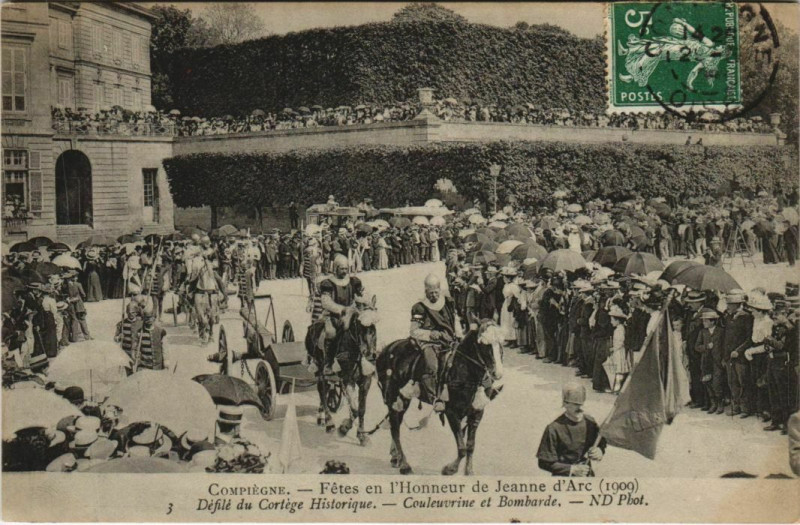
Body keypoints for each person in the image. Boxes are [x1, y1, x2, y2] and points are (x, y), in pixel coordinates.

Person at [409, 274, 458, 412]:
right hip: (428, 342)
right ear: (426, 292)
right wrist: (430, 334)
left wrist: (458, 335)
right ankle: (433, 397)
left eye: (436, 292)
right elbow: (413, 331)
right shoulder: (419, 307)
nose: (434, 296)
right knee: (432, 365)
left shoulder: (448, 302)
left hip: (447, 339)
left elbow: (455, 321)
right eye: (431, 293)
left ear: (440, 290)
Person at [537, 382, 606, 476]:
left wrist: (600, 450)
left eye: (582, 403)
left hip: (587, 477)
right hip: (563, 480)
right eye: (576, 404)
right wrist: (571, 470)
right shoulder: (554, 428)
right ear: (565, 403)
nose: (580, 408)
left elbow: (601, 441)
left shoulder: (590, 422)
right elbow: (543, 462)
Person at [318, 253, 366, 373]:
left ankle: (365, 354)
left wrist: (366, 301)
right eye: (342, 268)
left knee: (364, 326)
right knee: (331, 333)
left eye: (346, 268)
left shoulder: (353, 281)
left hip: (351, 312)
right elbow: (326, 302)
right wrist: (340, 309)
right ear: (336, 268)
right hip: (333, 315)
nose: (344, 271)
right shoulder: (328, 283)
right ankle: (328, 362)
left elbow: (359, 296)